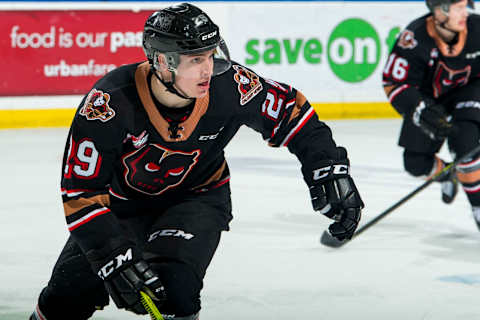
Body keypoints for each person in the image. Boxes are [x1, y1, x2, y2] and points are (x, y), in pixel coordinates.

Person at [30, 3, 364, 320]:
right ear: (163, 62)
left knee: (175, 288)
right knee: (65, 297)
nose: (208, 70)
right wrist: (111, 256)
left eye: (210, 55)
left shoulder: (230, 85)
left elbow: (293, 113)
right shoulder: (108, 104)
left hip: (197, 199)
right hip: (121, 207)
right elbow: (81, 192)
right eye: (194, 60)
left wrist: (329, 170)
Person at [382, 0, 480, 227]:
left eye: (465, 6)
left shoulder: (476, 28)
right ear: (439, 11)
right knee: (415, 164)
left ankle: (477, 204)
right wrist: (420, 111)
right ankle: (448, 174)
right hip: (429, 99)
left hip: (470, 91)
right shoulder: (413, 39)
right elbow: (394, 83)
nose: (464, 13)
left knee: (464, 144)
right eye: (458, 7)